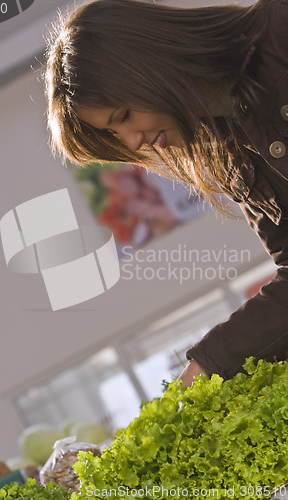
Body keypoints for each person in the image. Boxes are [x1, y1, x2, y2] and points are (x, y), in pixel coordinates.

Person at [45, 0, 288, 386]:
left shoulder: (280, 33)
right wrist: (207, 366)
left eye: (123, 116)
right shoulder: (227, 151)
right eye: (114, 134)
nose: (133, 140)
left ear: (150, 64)